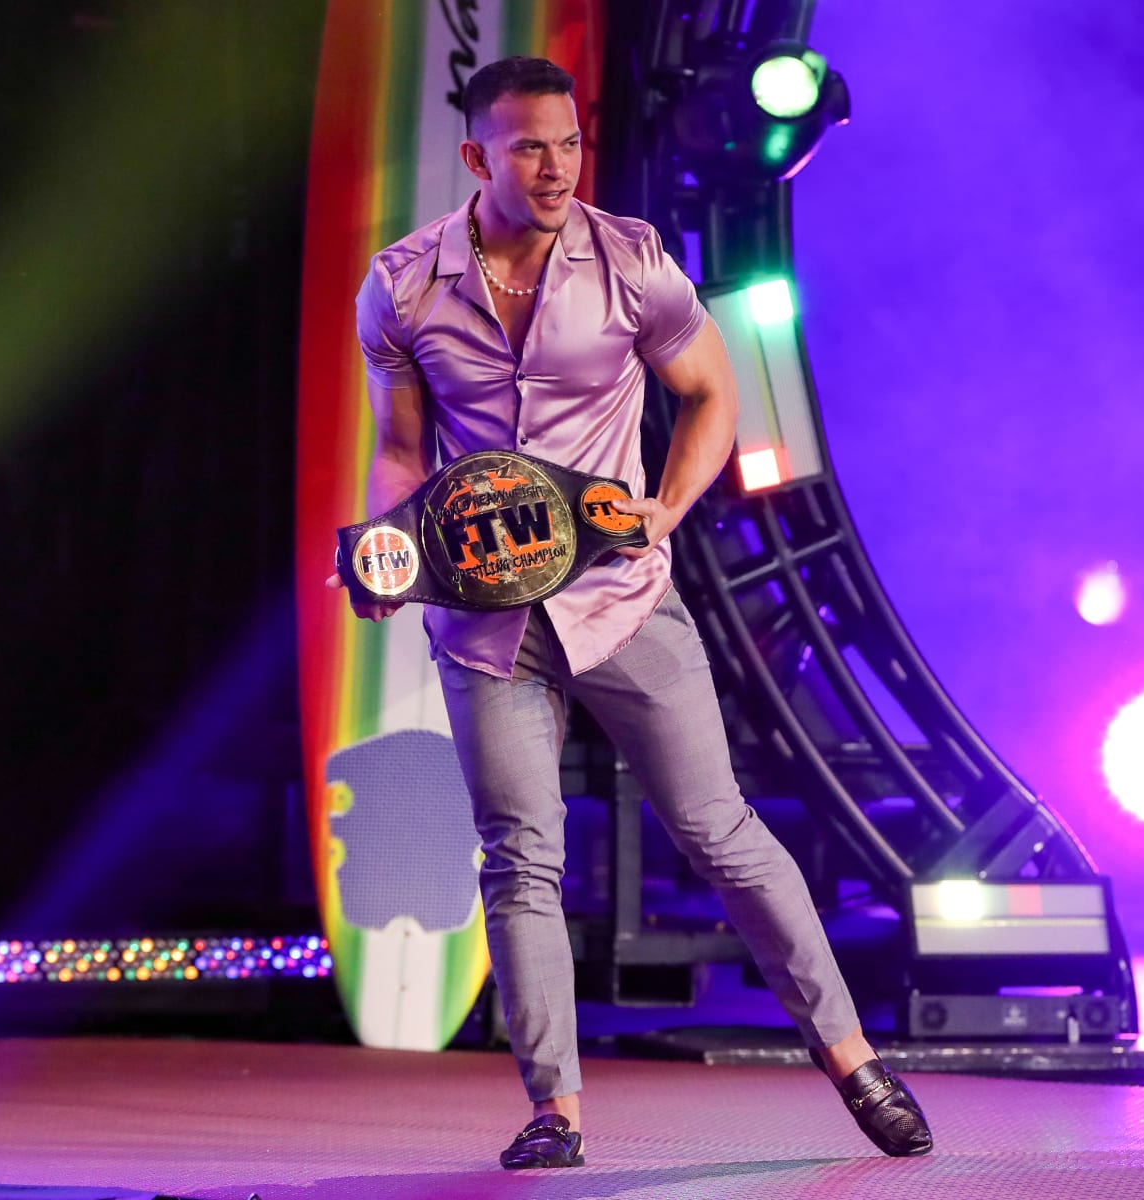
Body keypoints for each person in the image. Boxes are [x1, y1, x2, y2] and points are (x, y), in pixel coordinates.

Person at [326, 55, 932, 1169]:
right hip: (485, 620)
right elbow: (402, 453)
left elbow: (713, 390)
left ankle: (854, 1060)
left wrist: (665, 511)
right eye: (527, 148)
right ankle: (554, 1113)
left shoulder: (632, 263)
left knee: (723, 834)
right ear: (478, 158)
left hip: (620, 600)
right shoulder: (402, 284)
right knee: (520, 859)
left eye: (566, 144)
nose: (554, 166)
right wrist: (385, 548)